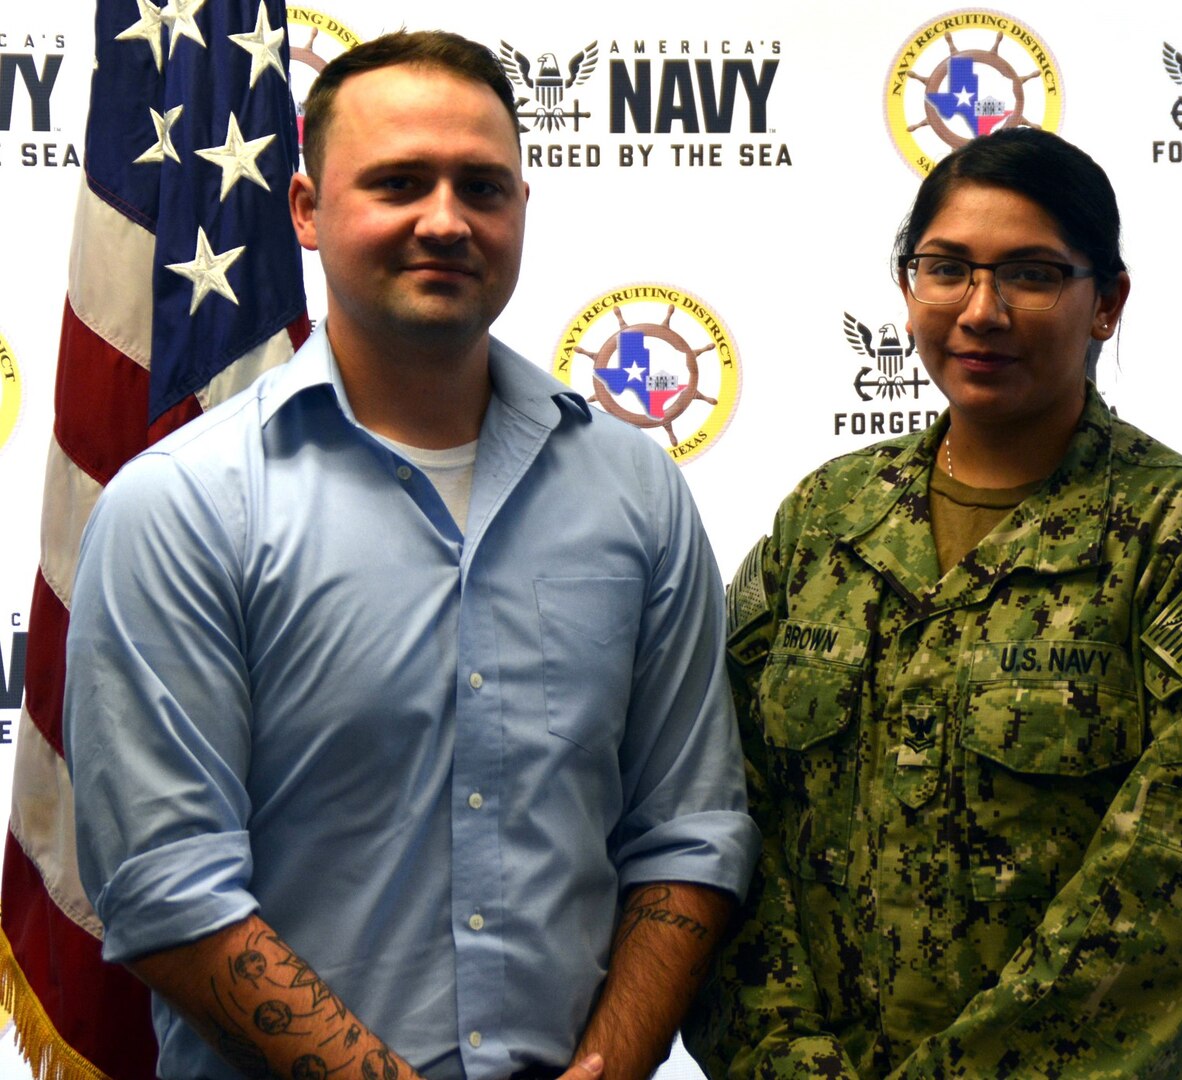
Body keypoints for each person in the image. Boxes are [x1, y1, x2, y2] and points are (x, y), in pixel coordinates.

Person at [64, 30, 758, 1080]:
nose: (445, 220)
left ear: (522, 208)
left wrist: (611, 1065)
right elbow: (168, 886)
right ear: (304, 209)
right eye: (397, 183)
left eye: (481, 186)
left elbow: (689, 831)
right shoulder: (181, 505)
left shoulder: (635, 489)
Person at [684, 127, 1182, 1078]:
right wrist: (781, 1056)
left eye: (1031, 274)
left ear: (1107, 302)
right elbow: (727, 807)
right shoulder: (823, 518)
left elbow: (1177, 898)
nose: (981, 311)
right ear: (907, 286)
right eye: (946, 269)